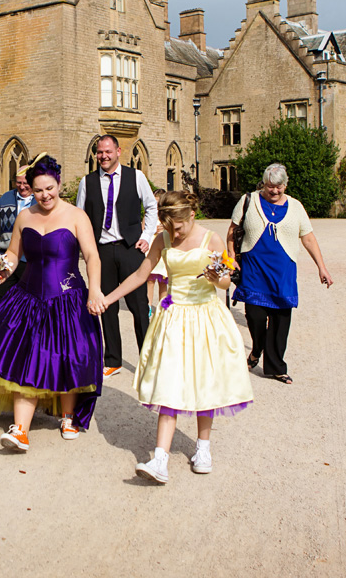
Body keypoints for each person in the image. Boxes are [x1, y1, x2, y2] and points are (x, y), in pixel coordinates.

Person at [0, 155, 105, 452]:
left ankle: (68, 417)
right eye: (39, 189)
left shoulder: (76, 216)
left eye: (50, 188)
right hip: (29, 295)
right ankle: (20, 430)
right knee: (25, 357)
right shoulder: (24, 216)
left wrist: (94, 290)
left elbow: (92, 256)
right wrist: (3, 270)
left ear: (58, 185)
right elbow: (14, 254)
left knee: (68, 356)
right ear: (31, 189)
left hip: (67, 297)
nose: (45, 195)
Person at [95, 190, 253, 481]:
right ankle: (159, 459)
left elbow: (226, 281)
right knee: (169, 382)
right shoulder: (163, 239)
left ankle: (203, 448)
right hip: (174, 317)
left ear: (192, 215)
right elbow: (141, 274)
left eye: (178, 227)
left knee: (205, 383)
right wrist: (109, 297)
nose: (175, 233)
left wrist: (217, 277)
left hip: (205, 316)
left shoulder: (212, 239)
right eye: (169, 227)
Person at [226, 163, 334, 385]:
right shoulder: (250, 201)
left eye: (278, 187)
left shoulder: (296, 207)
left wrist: (321, 267)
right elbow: (232, 230)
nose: (274, 191)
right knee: (255, 317)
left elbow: (308, 238)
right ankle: (257, 349)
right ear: (263, 184)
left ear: (285, 185)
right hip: (254, 269)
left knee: (280, 321)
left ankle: (276, 367)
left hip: (283, 271)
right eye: (269, 186)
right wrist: (230, 256)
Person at [74, 135, 158, 377]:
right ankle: (113, 360)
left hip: (131, 247)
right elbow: (80, 217)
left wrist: (148, 236)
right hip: (101, 252)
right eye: (99, 152)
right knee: (105, 305)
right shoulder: (87, 182)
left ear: (118, 151)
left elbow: (151, 206)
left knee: (139, 306)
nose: (104, 156)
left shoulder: (136, 177)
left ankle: (148, 359)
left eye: (108, 151)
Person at [0, 165, 36, 304]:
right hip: (6, 256)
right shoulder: (6, 198)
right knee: (0, 294)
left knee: (31, 297)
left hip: (31, 259)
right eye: (19, 182)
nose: (22, 187)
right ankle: (10, 323)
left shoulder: (41, 201)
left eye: (26, 183)